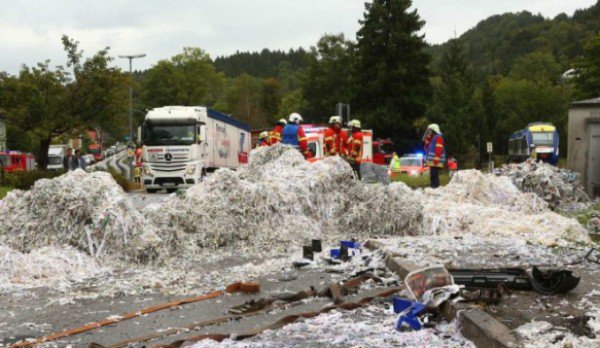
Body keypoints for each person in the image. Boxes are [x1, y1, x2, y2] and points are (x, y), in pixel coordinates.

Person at [423, 123, 446, 188]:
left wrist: (436, 158)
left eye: (430, 130)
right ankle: (433, 187)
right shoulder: (433, 138)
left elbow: (439, 148)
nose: (429, 132)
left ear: (434, 130)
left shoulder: (438, 137)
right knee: (432, 176)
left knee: (434, 175)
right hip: (432, 161)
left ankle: (436, 188)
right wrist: (428, 137)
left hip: (436, 161)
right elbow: (426, 147)